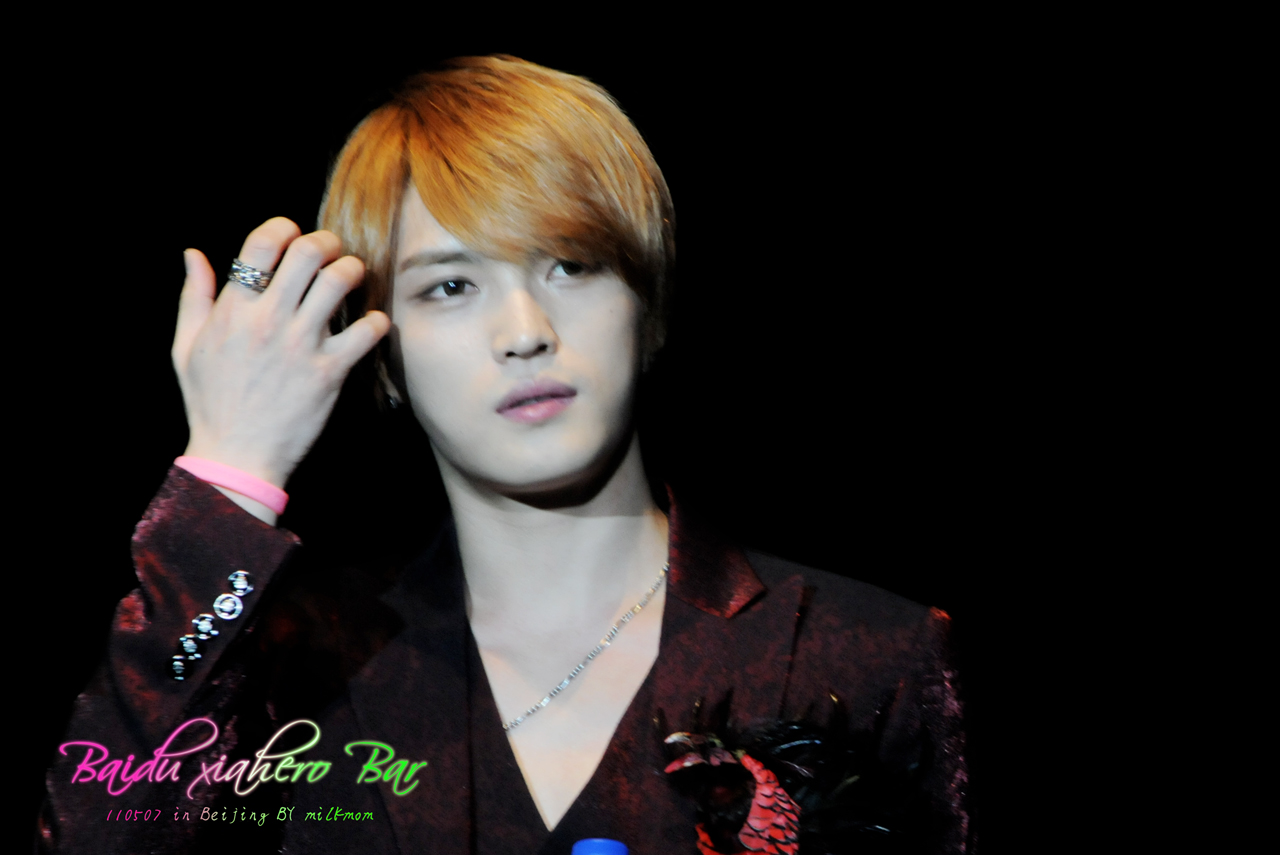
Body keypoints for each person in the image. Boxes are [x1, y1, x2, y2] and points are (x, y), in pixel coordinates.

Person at [40, 56, 972, 853]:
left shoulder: (874, 653)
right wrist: (228, 476)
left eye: (570, 264)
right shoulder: (292, 665)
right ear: (383, 348)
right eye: (450, 285)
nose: (524, 330)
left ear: (644, 298)